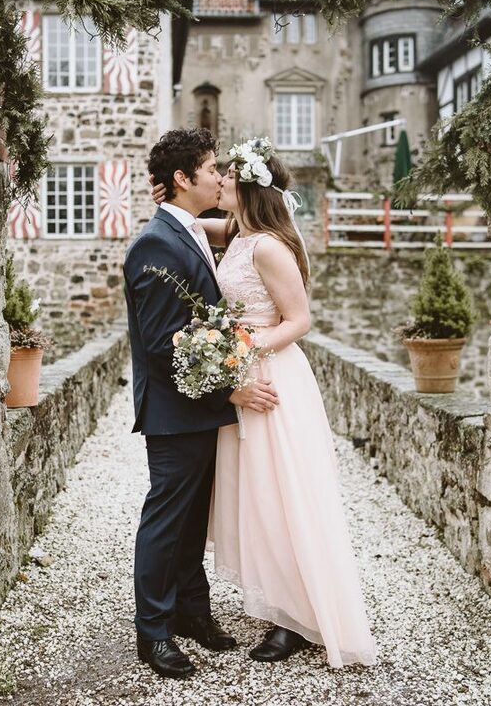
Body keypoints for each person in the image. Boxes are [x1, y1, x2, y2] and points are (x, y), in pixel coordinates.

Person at [152, 136, 377, 669]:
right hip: (244, 377)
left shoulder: (271, 246)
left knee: (285, 493)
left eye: (227, 176)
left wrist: (243, 348)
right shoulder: (237, 233)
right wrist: (163, 198)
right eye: (216, 174)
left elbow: (300, 321)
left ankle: (296, 619)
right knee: (257, 494)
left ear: (249, 187)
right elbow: (184, 226)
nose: (219, 181)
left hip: (272, 379)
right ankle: (280, 596)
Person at [123, 129, 279, 680]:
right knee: (166, 521)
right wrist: (231, 388)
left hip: (199, 408)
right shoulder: (156, 243)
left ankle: (193, 612)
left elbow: (252, 228)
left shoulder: (187, 230)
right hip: (174, 410)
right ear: (184, 179)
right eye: (211, 168)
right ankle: (155, 633)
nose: (220, 176)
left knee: (192, 521)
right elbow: (165, 344)